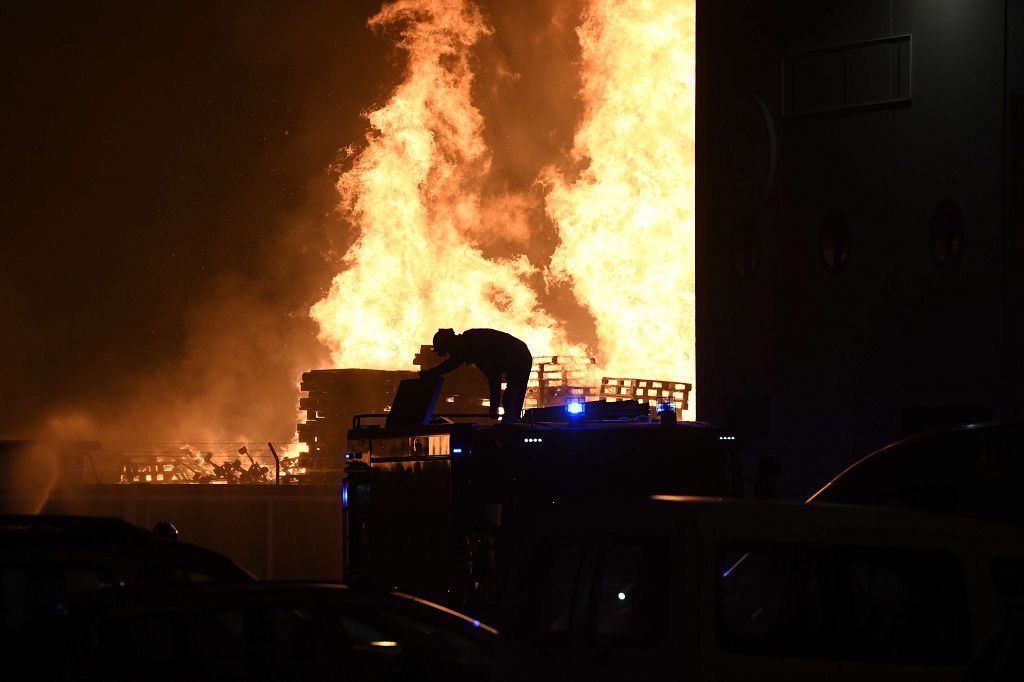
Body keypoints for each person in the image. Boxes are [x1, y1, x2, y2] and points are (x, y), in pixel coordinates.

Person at [420, 328, 532, 423]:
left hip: (520, 357)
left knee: (513, 394)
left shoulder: (475, 347)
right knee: (512, 395)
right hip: (518, 354)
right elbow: (452, 363)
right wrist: (431, 373)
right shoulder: (468, 344)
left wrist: (494, 407)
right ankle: (512, 421)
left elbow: (494, 377)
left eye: (448, 351)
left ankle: (513, 423)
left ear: (451, 344)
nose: (450, 354)